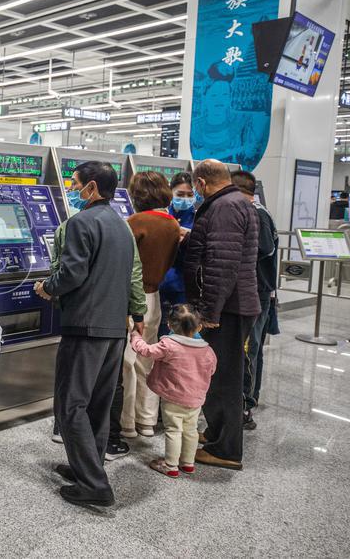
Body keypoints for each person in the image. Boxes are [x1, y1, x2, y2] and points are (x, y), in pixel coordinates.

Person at [34, 161, 146, 507]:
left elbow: (71, 274)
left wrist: (47, 286)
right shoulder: (122, 226)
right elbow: (130, 276)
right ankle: (87, 467)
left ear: (92, 187)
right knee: (98, 404)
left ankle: (95, 485)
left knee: (70, 404)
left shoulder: (82, 223)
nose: (72, 188)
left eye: (75, 183)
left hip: (85, 325)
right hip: (114, 327)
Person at [183, 160, 259, 470]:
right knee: (220, 376)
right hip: (235, 303)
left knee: (224, 380)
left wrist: (210, 311)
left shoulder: (224, 208)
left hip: (228, 307)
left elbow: (221, 265)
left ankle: (225, 450)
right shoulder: (235, 202)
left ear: (201, 183)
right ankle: (216, 434)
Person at [119, 171, 181, 439]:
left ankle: (127, 423)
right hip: (154, 297)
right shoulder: (172, 224)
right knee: (147, 359)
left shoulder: (135, 222)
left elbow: (122, 265)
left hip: (132, 299)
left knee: (127, 361)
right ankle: (146, 421)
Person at [129, 305, 217, 478]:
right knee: (191, 430)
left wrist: (135, 336)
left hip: (173, 398)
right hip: (196, 399)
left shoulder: (168, 345)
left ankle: (170, 465)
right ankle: (188, 463)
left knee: (173, 430)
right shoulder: (207, 350)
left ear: (169, 325)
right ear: (199, 327)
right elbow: (211, 370)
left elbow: (145, 350)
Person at [231, 170, 278, 431]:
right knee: (252, 349)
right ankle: (249, 398)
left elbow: (263, 248)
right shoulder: (258, 210)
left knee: (249, 349)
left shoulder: (256, 213)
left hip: (256, 291)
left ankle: (245, 404)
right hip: (257, 289)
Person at [158, 171, 196, 315]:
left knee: (181, 331)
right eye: (180, 194)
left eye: (189, 194)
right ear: (170, 192)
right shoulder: (162, 215)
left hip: (184, 286)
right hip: (159, 284)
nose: (185, 198)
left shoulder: (200, 218)